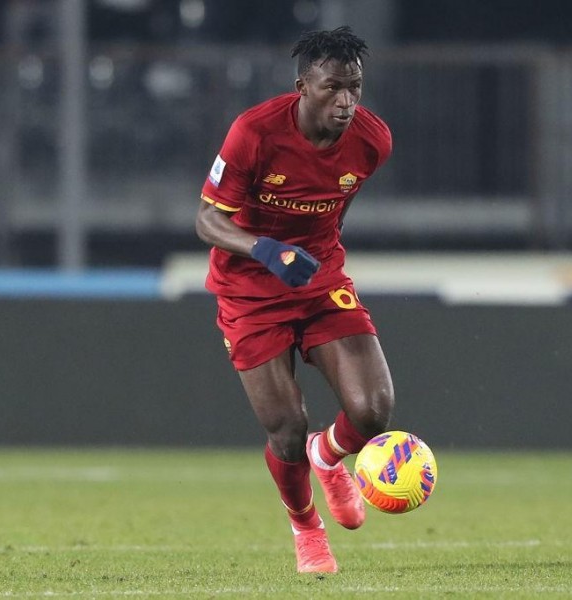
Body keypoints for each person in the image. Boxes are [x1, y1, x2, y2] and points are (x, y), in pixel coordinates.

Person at [195, 26, 394, 574]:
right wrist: (265, 250)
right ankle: (306, 529)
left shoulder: (373, 141)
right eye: (333, 88)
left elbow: (336, 205)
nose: (346, 101)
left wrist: (318, 256)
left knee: (374, 411)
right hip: (250, 289)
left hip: (318, 281)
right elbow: (207, 220)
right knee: (285, 425)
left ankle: (327, 457)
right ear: (302, 85)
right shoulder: (254, 133)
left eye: (354, 87)